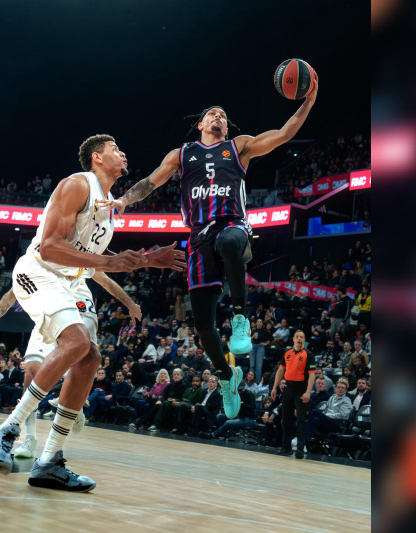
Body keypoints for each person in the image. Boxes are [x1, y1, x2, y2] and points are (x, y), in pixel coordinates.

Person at [95, 86, 320, 420]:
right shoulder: (182, 154)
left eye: (223, 116)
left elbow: (285, 133)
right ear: (200, 124)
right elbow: (151, 182)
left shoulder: (239, 146)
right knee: (202, 325)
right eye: (213, 114)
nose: (219, 117)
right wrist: (124, 199)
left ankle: (241, 318)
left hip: (233, 224)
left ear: (227, 128)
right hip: (199, 235)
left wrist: (309, 101)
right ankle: (227, 377)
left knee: (229, 243)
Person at [0, 135, 185, 492]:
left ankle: (49, 461)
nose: (123, 152)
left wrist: (149, 260)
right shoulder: (77, 185)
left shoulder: (109, 208)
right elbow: (50, 247)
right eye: (115, 148)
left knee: (90, 357)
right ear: (97, 157)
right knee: (76, 342)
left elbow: (99, 261)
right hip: (39, 271)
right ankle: (5, 432)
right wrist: (110, 262)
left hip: (69, 281)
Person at [0, 265, 142, 458]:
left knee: (85, 357)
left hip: (79, 301)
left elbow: (106, 281)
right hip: (51, 306)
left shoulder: (81, 254)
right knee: (30, 371)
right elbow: (13, 292)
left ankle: (75, 404)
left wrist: (131, 304)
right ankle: (29, 438)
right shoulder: (37, 260)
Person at [271, 331, 315, 458]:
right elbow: (280, 370)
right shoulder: (287, 352)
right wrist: (274, 387)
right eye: (297, 337)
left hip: (301, 388)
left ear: (304, 340)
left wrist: (308, 392)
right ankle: (286, 448)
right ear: (293, 339)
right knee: (286, 419)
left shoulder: (308, 354)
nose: (299, 339)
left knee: (301, 419)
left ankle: (300, 448)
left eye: (302, 337)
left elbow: (312, 375)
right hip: (288, 387)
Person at [305, 377, 353, 454]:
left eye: (343, 388)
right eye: (339, 387)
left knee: (315, 411)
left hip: (337, 424)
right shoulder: (332, 398)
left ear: (346, 390)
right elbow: (325, 410)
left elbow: (342, 415)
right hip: (327, 422)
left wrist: (327, 416)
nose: (340, 389)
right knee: (315, 420)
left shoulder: (347, 401)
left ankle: (303, 439)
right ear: (335, 388)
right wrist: (325, 415)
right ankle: (307, 440)